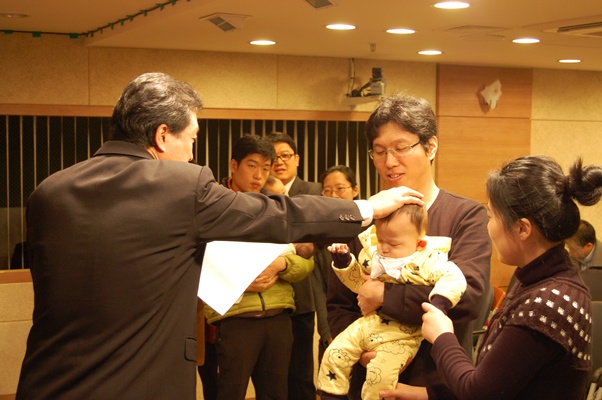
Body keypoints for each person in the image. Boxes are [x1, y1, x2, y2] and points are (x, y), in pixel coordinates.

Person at [15, 72, 420, 400]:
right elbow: (277, 215)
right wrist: (367, 208)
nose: (192, 154)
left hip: (48, 381)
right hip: (141, 383)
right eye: (191, 139)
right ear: (162, 135)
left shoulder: (49, 192)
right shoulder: (179, 185)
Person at [380, 155, 601, 399]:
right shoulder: (536, 281)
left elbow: (479, 392)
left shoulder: (548, 302)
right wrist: (424, 393)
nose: (489, 227)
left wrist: (443, 336)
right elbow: (499, 379)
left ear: (522, 228)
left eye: (492, 216)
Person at [327, 94, 492, 399]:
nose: (389, 162)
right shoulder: (363, 217)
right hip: (368, 380)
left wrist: (382, 295)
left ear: (431, 147)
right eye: (379, 151)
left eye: (401, 148)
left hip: (434, 383)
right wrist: (363, 353)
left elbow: (468, 297)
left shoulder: (465, 216)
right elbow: (339, 303)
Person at [204, 134, 314, 400]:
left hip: (278, 317)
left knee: (277, 393)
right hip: (234, 318)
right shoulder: (211, 205)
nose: (259, 175)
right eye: (252, 166)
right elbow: (200, 260)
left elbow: (306, 262)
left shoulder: (277, 207)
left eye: (265, 168)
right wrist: (239, 279)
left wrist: (281, 264)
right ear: (234, 165)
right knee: (229, 393)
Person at [318, 204, 466, 400]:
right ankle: (332, 395)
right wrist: (344, 261)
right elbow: (357, 285)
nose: (384, 248)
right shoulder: (375, 257)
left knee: (380, 375)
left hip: (403, 334)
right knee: (335, 352)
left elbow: (453, 279)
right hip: (370, 323)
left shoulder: (430, 261)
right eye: (380, 240)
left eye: (393, 244)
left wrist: (439, 304)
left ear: (419, 244)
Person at [266, 131, 323, 400]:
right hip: (268, 294)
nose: (279, 162)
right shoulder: (259, 191)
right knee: (273, 375)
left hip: (303, 293)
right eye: (273, 157)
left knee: (301, 372)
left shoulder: (314, 191)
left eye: (285, 156)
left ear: (297, 159)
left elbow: (316, 239)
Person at [314, 165, 361, 363]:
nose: (333, 195)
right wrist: (327, 332)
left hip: (367, 325)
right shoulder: (320, 233)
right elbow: (318, 288)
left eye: (340, 189)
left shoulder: (370, 228)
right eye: (327, 190)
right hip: (333, 327)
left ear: (355, 190)